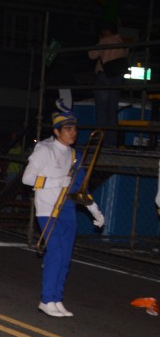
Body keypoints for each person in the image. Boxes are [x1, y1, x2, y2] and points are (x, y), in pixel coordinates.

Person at [22, 101, 105, 318]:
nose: (73, 133)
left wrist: (95, 210)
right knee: (56, 253)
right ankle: (46, 299)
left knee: (65, 256)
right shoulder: (44, 150)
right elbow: (27, 178)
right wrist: (57, 181)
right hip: (47, 209)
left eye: (75, 129)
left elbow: (80, 187)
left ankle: (57, 299)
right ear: (57, 131)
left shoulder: (74, 155)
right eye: (68, 129)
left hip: (67, 209)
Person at [88, 24, 129, 148]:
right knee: (112, 110)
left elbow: (91, 55)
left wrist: (99, 42)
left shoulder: (105, 41)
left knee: (102, 110)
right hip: (117, 77)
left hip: (105, 75)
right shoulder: (122, 42)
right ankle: (111, 143)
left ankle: (102, 142)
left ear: (107, 30)